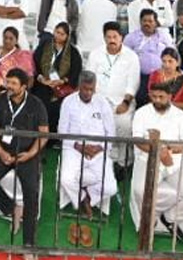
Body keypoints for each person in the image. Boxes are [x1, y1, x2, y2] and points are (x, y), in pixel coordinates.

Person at [0, 67, 46, 246]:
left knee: (31, 194)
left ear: (24, 86)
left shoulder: (36, 104)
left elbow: (44, 133)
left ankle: (29, 244)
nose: (8, 86)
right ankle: (12, 208)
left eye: (13, 83)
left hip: (26, 154)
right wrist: (0, 151)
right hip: (3, 151)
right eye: (7, 82)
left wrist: (31, 153)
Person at [130, 80, 183, 237]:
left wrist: (167, 151)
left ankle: (169, 218)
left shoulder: (181, 116)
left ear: (170, 96)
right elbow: (137, 140)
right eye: (154, 96)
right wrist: (157, 152)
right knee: (140, 191)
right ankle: (150, 219)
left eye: (161, 97)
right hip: (148, 161)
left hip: (174, 164)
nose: (157, 100)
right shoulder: (141, 113)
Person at [57, 71, 117, 244]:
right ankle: (83, 199)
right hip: (74, 148)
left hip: (98, 150)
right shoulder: (68, 102)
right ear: (78, 87)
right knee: (66, 179)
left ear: (95, 87)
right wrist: (79, 146)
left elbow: (110, 133)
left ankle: (90, 197)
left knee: (111, 188)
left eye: (91, 90)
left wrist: (99, 147)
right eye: (84, 89)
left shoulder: (103, 103)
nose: (88, 93)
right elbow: (62, 131)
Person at [85, 22, 140, 167]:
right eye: (108, 37)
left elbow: (133, 82)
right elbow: (89, 78)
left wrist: (126, 103)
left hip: (122, 101)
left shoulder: (131, 56)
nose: (112, 40)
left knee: (124, 125)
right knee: (95, 125)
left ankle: (122, 163)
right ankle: (103, 160)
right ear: (104, 38)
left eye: (115, 36)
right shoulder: (95, 54)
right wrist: (94, 100)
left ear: (121, 38)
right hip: (99, 99)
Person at [32, 21, 81, 128]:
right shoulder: (44, 45)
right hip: (43, 85)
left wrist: (62, 81)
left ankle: (52, 138)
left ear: (67, 36)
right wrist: (41, 79)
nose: (58, 36)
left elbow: (75, 72)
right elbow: (34, 63)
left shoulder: (73, 52)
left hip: (60, 89)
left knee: (57, 108)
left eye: (62, 34)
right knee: (38, 103)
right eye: (57, 32)